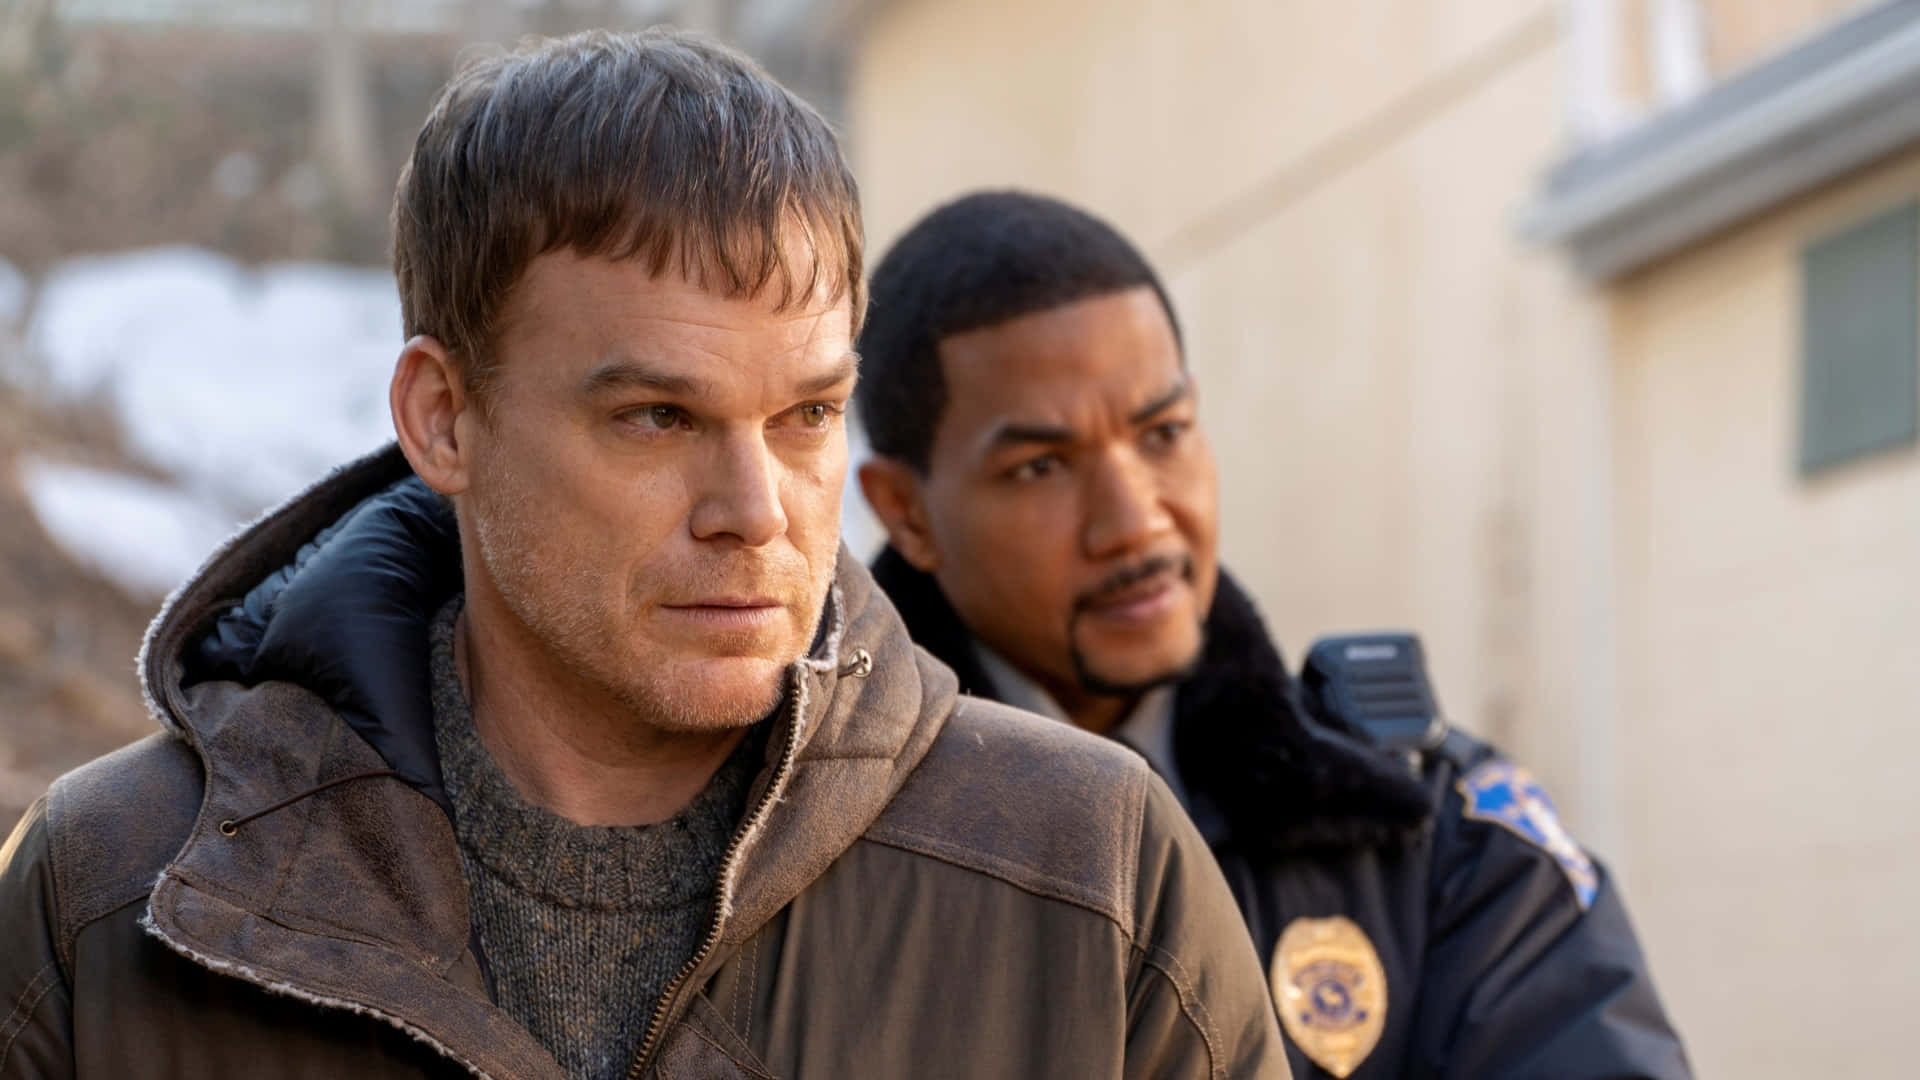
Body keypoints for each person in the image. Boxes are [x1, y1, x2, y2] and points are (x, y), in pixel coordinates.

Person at [0, 37, 1290, 1079]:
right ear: (443, 419)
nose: (756, 511)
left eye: (806, 417)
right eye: (658, 418)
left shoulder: (1094, 879)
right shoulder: (107, 896)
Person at [856, 190, 1692, 1080]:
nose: (1135, 522)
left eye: (1163, 433)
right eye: (1042, 467)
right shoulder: (814, 856)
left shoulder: (1418, 825)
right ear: (906, 512)